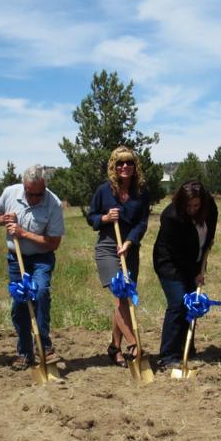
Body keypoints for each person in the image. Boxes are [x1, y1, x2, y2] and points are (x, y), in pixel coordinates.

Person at [0, 164, 65, 369]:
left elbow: (54, 243)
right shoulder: (9, 193)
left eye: (38, 194)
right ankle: (24, 352)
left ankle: (44, 346)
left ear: (45, 187)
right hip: (16, 259)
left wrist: (23, 233)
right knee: (19, 305)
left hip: (41, 259)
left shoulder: (53, 204)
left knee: (41, 293)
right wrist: (3, 219)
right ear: (23, 186)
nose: (33, 198)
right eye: (29, 193)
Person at [88, 146, 152, 367]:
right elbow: (91, 217)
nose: (125, 167)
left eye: (129, 163)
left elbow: (142, 222)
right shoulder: (104, 191)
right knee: (119, 295)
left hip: (129, 248)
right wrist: (105, 217)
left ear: (135, 167)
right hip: (107, 247)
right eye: (120, 164)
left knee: (123, 299)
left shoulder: (141, 193)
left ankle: (114, 348)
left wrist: (129, 242)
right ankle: (134, 344)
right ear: (113, 167)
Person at [152, 180, 217, 370]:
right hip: (170, 264)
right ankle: (168, 355)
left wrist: (201, 265)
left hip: (194, 261)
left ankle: (186, 347)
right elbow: (176, 253)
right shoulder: (171, 217)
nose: (192, 209)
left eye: (196, 205)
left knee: (192, 304)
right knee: (179, 303)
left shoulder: (209, 207)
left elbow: (210, 228)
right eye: (188, 205)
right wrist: (194, 274)